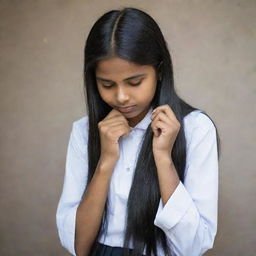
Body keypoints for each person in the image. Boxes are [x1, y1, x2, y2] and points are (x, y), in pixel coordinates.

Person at [56, 7, 221, 256]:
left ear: (160, 70)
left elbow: (193, 246)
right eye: (107, 84)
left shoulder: (196, 129)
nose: (121, 97)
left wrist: (163, 157)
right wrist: (106, 160)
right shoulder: (83, 131)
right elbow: (79, 246)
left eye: (135, 82)